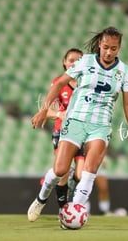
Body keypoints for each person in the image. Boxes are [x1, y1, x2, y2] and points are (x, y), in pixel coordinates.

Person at [27, 26, 128, 226]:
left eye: (113, 48)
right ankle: (41, 199)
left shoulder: (124, 71)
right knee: (60, 170)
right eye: (105, 47)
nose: (109, 52)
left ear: (119, 48)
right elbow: (59, 83)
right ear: (99, 45)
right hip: (76, 120)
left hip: (101, 126)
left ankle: (71, 216)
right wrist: (44, 109)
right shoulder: (85, 62)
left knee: (89, 171)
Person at [45, 48, 85, 209]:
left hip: (82, 133)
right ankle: (63, 208)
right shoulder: (58, 83)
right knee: (62, 171)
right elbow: (47, 110)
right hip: (63, 132)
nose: (74, 63)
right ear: (64, 62)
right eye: (71, 60)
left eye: (78, 60)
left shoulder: (88, 83)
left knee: (80, 175)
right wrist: (60, 114)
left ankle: (69, 188)